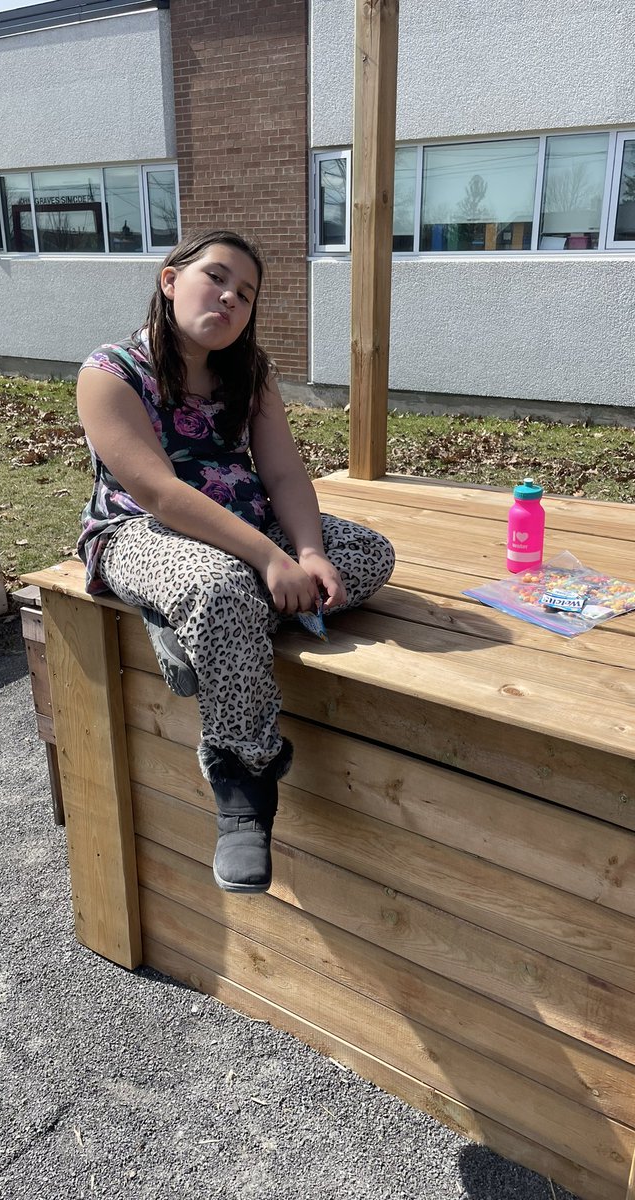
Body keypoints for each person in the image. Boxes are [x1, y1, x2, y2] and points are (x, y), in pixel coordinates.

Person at [76, 229, 395, 895]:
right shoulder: (109, 373)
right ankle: (244, 778)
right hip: (141, 532)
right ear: (170, 281)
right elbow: (160, 494)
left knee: (367, 553)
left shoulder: (251, 374)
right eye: (216, 278)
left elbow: (282, 473)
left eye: (246, 294)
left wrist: (307, 552)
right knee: (220, 587)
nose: (230, 298)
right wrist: (270, 560)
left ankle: (197, 624)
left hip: (247, 525)